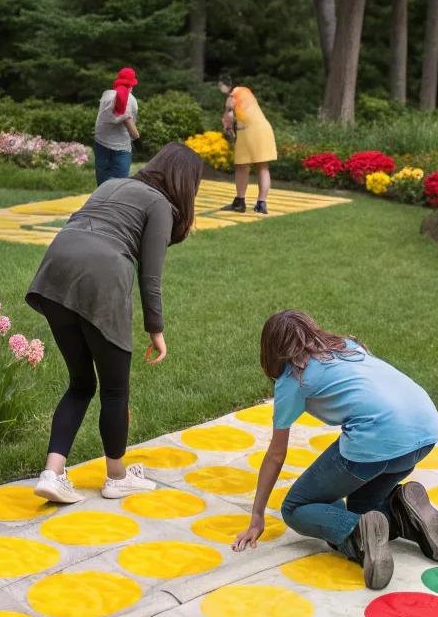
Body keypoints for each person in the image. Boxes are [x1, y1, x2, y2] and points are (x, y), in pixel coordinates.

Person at [25, 143, 204, 504]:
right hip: (102, 278)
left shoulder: (111, 184)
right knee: (115, 390)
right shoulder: (160, 205)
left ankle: (52, 473)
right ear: (186, 183)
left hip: (55, 270)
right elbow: (150, 277)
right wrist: (156, 330)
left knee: (80, 384)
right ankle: (117, 477)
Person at [233, 310, 438, 589]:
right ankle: (402, 513)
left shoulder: (293, 378)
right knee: (361, 506)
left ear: (271, 351)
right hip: (425, 430)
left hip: (378, 438)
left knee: (297, 507)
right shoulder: (347, 346)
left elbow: (277, 454)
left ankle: (358, 534)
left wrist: (257, 516)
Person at [218, 74, 277, 214]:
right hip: (264, 129)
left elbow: (229, 113)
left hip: (248, 131)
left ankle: (240, 202)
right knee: (262, 166)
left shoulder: (233, 95)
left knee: (242, 166)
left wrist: (227, 127)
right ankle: (261, 204)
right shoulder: (246, 91)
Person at [93, 67, 140, 185]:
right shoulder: (131, 100)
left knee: (103, 186)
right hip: (121, 148)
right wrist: (138, 138)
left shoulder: (106, 96)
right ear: (132, 85)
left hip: (100, 143)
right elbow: (132, 130)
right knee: (119, 186)